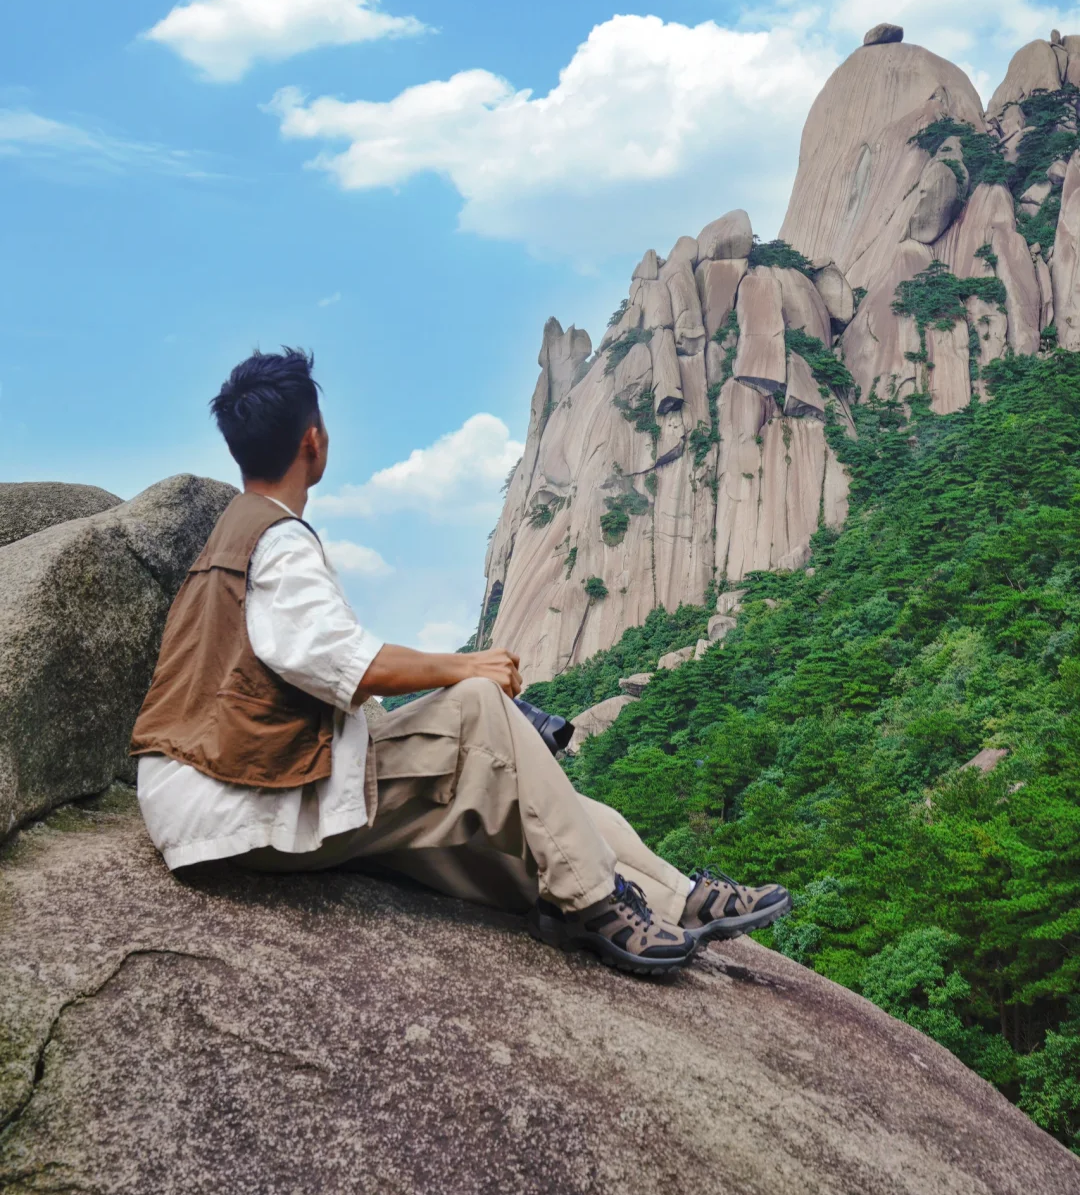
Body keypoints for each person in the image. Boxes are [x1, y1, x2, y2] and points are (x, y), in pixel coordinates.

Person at [132, 348, 792, 978]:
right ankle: (595, 900)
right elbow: (345, 664)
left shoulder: (236, 532)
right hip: (244, 805)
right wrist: (466, 666)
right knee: (480, 708)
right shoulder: (277, 542)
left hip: (218, 794)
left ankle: (673, 894)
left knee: (525, 791)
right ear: (314, 440)